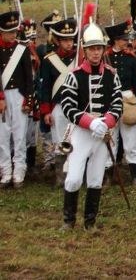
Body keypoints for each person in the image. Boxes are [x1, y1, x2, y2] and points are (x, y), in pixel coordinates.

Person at [60, 21, 122, 230]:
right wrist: (90, 121)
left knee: (95, 178)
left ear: (103, 50)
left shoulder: (112, 75)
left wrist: (107, 121)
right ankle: (68, 221)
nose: (96, 53)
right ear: (85, 51)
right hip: (82, 132)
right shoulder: (74, 75)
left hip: (103, 132)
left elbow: (117, 103)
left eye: (99, 48)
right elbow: (67, 106)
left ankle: (90, 222)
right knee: (75, 177)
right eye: (92, 49)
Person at [37, 18, 78, 187]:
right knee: (60, 141)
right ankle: (61, 176)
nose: (69, 44)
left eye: (71, 40)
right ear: (57, 41)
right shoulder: (49, 60)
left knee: (76, 140)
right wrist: (46, 111)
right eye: (65, 40)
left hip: (76, 107)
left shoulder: (79, 57)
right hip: (59, 106)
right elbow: (44, 87)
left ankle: (75, 173)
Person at [105, 20, 136, 185]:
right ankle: (108, 175)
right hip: (110, 99)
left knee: (131, 140)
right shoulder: (105, 57)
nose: (127, 42)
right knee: (110, 140)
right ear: (115, 40)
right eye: (123, 39)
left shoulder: (131, 59)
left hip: (128, 99)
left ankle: (134, 176)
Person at [0, 11, 35, 188]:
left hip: (19, 95)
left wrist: (28, 100)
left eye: (15, 31)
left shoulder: (22, 49)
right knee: (2, 135)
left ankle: (19, 169)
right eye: (9, 31)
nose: (13, 35)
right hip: (2, 96)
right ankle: (5, 170)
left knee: (20, 134)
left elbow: (29, 78)